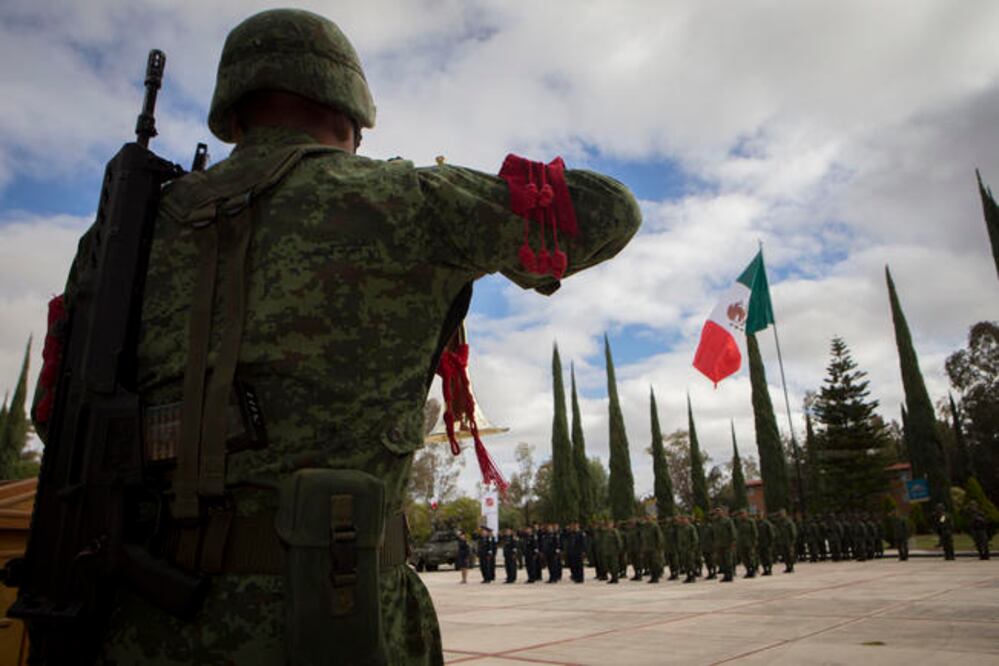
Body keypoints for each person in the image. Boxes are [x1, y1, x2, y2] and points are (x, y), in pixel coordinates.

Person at [48, 7, 640, 665]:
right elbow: (611, 210)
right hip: (335, 620)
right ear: (352, 110)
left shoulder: (122, 235)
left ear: (234, 117)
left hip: (135, 622)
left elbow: (58, 415)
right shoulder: (402, 200)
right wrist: (464, 197)